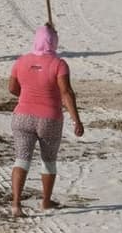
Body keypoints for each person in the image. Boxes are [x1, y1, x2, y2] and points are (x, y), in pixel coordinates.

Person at [8, 25, 85, 218]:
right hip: (49, 118)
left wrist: (26, 97)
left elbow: (12, 88)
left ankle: (16, 204)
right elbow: (66, 93)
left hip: (22, 116)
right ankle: (46, 201)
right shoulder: (59, 64)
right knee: (48, 160)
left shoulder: (21, 61)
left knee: (21, 159)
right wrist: (77, 120)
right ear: (54, 42)